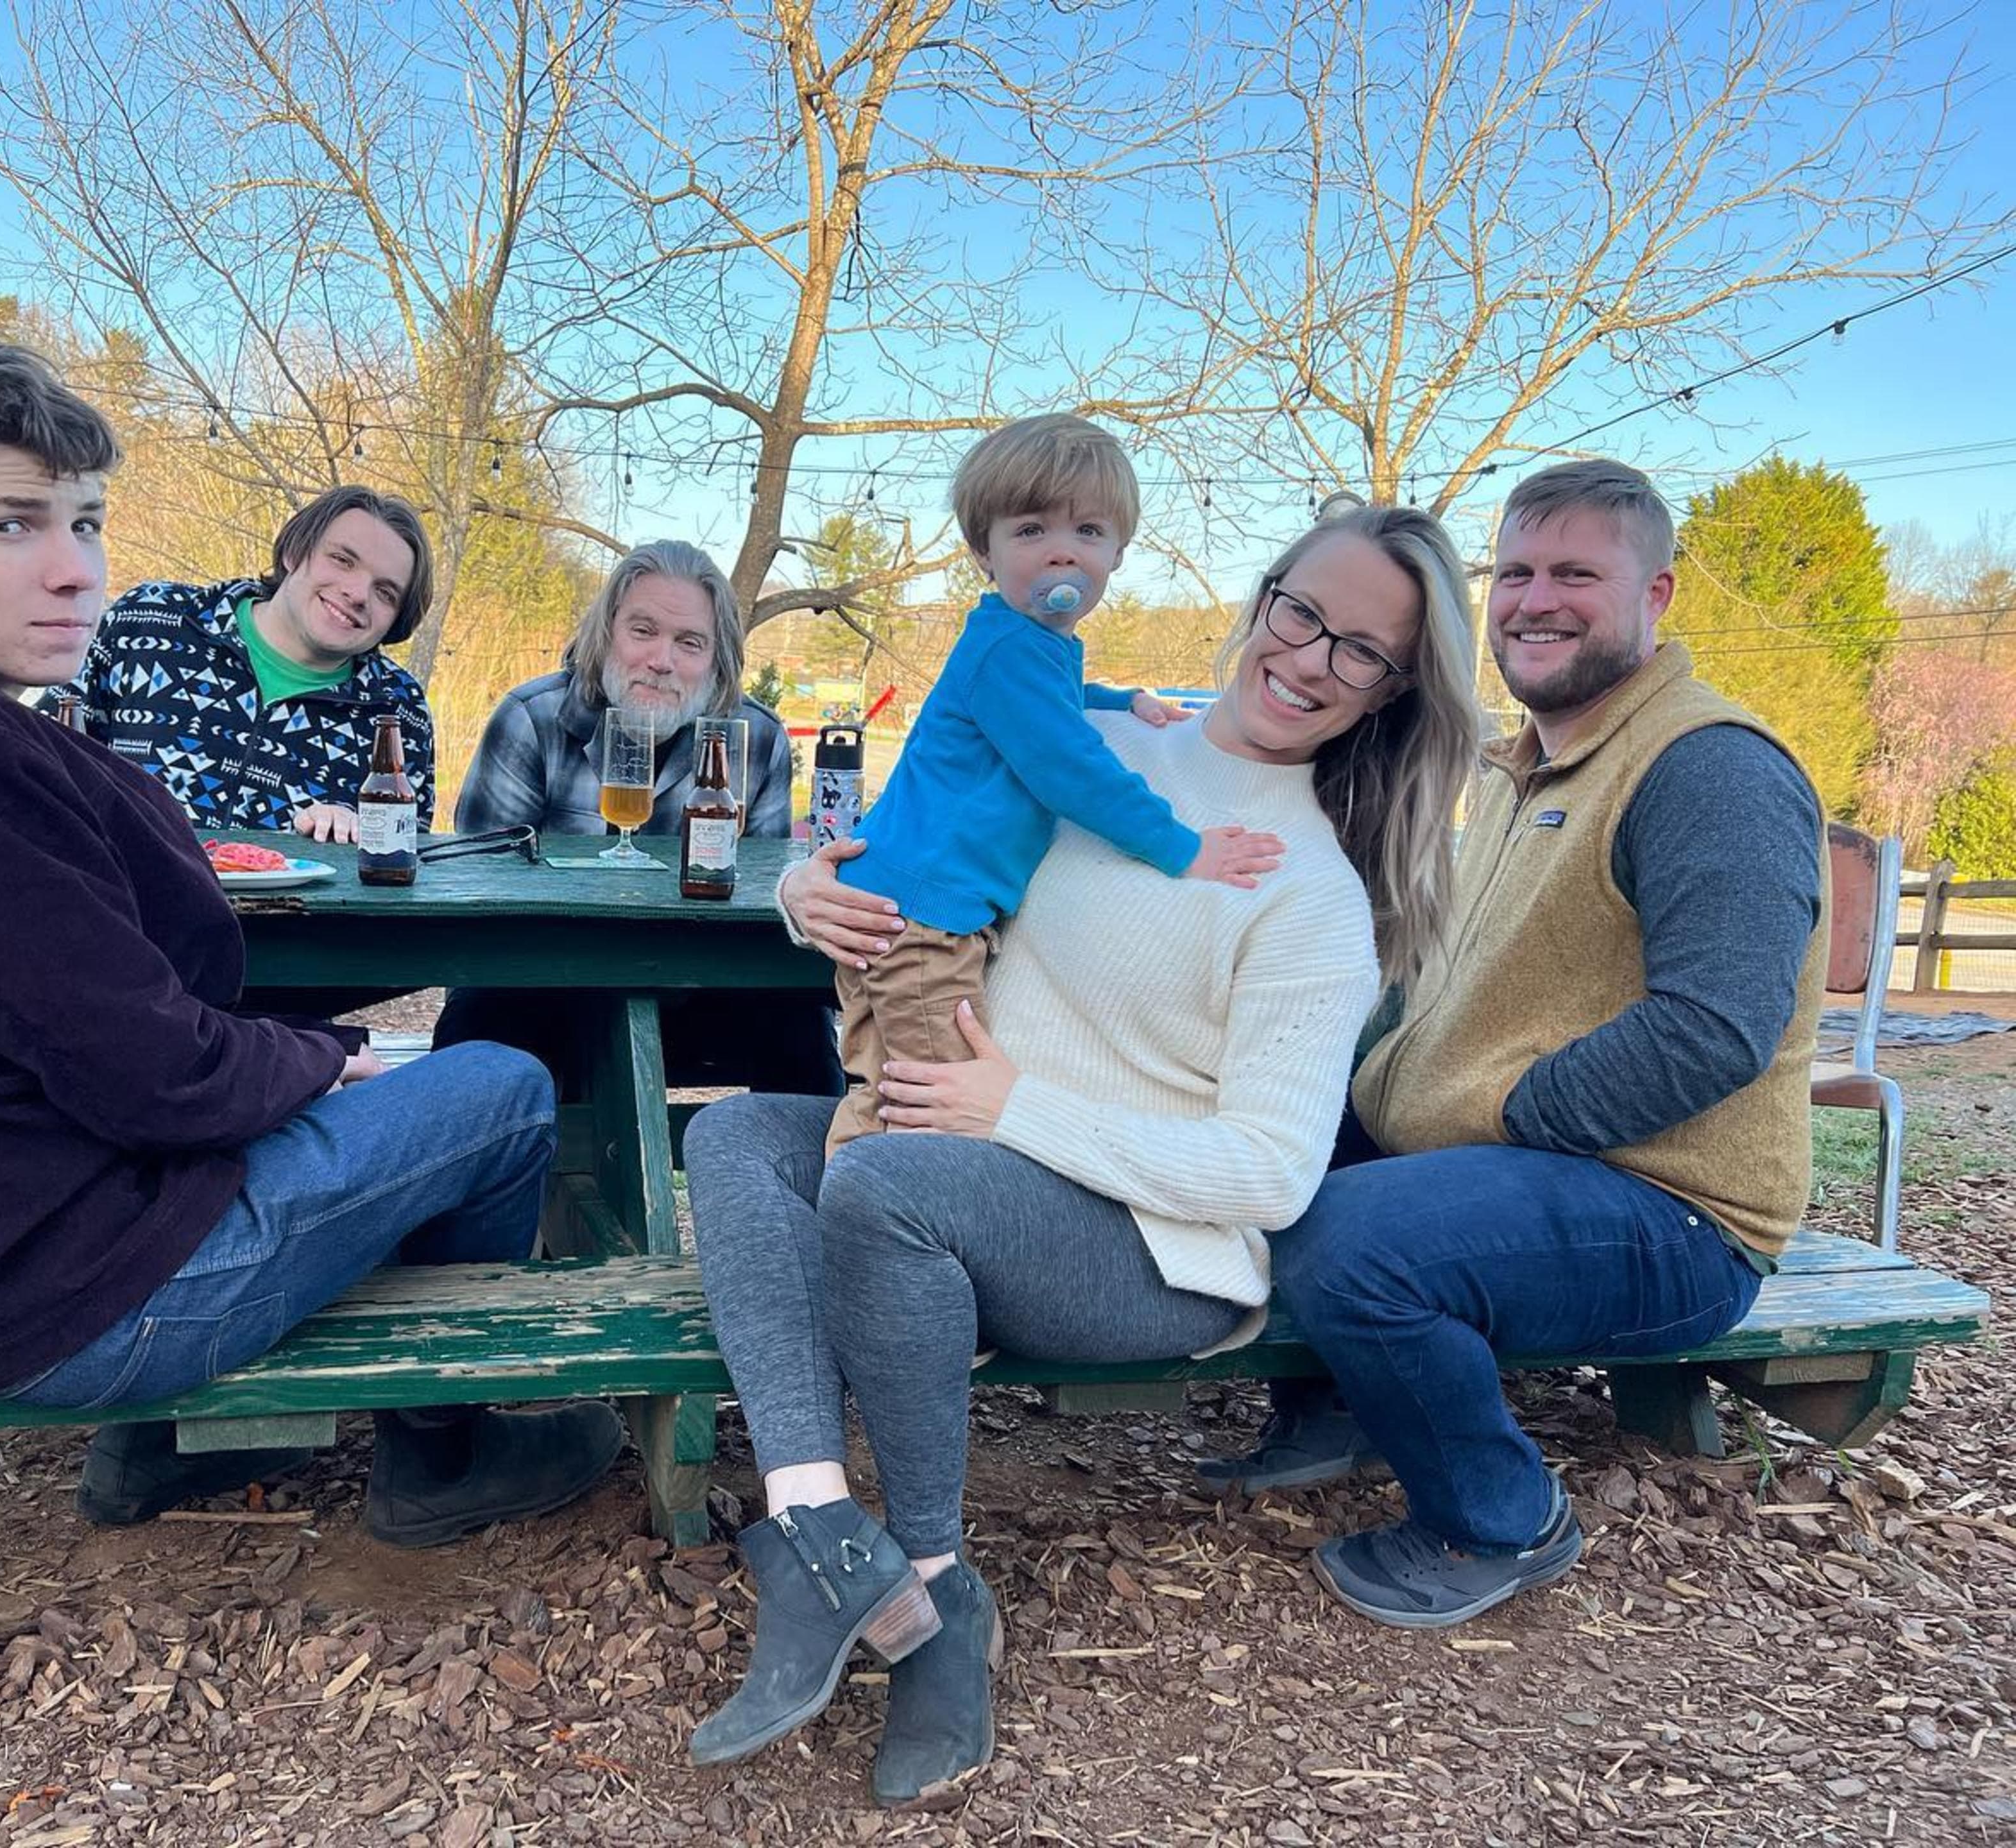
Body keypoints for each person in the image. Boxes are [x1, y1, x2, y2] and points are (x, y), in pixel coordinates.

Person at [0, 339, 621, 1538]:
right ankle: (440, 1453)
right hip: (64, 1300)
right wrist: (319, 1056)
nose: (74, 571)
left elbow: (97, 1031)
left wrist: (290, 1058)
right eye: (14, 527)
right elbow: (160, 1075)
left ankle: (175, 1448)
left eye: (84, 525)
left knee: (328, 1084)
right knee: (501, 1087)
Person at [681, 499, 1483, 1802]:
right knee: (737, 1138)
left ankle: (937, 1591)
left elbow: (1275, 1176)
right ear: (1260, 595)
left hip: (1147, 1249)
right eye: (1301, 611)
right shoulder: (1099, 729)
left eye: (1362, 651)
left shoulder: (1313, 893)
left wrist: (1017, 1112)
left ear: (1395, 691)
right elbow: (911, 828)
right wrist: (805, 892)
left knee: (881, 1183)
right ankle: (822, 1528)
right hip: (957, 1155)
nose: (1310, 657)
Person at [1200, 460, 1829, 1631]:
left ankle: (1500, 1518)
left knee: (1355, 1243)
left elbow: (1717, 1028)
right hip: (1525, 1163)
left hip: (1670, 1211)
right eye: (1518, 572)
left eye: (1578, 574)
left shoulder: (1709, 768)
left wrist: (1498, 1112)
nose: (1537, 600)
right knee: (1267, 1122)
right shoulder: (1520, 769)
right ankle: (1335, 1405)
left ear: (1658, 596)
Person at [826, 414, 1282, 1154]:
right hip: (924, 917)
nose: (1062, 553)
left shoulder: (1029, 646)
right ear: (985, 550)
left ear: (1117, 553)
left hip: (903, 897)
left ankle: (836, 1234)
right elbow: (1072, 770)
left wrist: (1119, 699)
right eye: (1031, 530)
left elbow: (1057, 698)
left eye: (1090, 532)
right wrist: (1182, 848)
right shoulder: (1010, 651)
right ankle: (872, 1239)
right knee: (933, 1104)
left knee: (888, 1090)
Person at [436, 538, 842, 1098]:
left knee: (801, 1024)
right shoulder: (531, 719)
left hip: (699, 988)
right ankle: (502, 1175)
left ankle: (810, 1176)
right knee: (478, 1034)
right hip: (542, 978)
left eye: (690, 643)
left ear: (718, 660)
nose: (662, 661)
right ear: (607, 634)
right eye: (643, 631)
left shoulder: (758, 740)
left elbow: (766, 900)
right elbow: (480, 892)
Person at [42, 484, 439, 841]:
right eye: (341, 560)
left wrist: (352, 839)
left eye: (385, 592)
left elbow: (401, 865)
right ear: (294, 552)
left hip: (296, 920)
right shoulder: (151, 621)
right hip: (120, 909)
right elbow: (44, 757)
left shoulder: (398, 710)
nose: (357, 593)